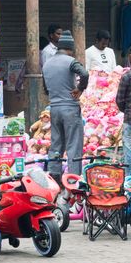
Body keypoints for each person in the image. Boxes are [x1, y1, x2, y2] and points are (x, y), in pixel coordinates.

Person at [43, 30, 89, 176]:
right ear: (70, 49)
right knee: (74, 145)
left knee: (56, 144)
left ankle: (54, 175)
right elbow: (85, 73)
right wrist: (80, 89)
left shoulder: (47, 64)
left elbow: (45, 88)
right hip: (69, 108)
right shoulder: (70, 61)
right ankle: (73, 178)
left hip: (54, 108)